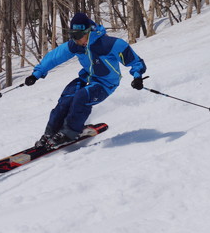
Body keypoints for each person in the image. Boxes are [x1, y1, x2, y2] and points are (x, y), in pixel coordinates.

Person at [24, 12, 147, 149]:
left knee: (82, 97)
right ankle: (51, 132)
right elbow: (54, 57)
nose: (75, 39)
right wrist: (36, 74)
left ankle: (70, 132)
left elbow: (135, 61)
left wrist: (137, 77)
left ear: (88, 32)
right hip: (88, 77)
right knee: (68, 95)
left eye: (77, 35)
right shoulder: (76, 45)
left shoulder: (108, 44)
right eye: (72, 35)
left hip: (105, 84)